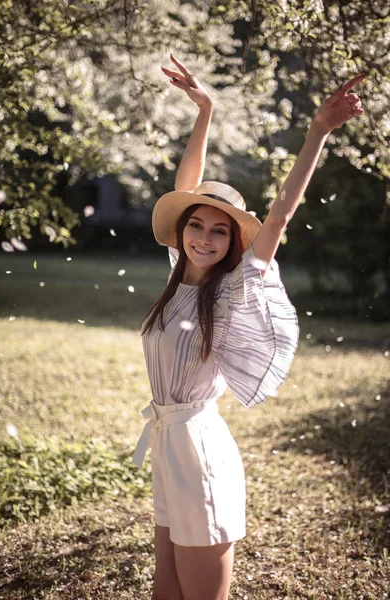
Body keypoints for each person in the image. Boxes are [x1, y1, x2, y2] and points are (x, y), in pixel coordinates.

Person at [132, 54, 365, 600]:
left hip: (199, 449)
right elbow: (186, 187)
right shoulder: (177, 277)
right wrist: (205, 110)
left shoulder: (232, 289)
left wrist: (318, 131)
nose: (206, 238)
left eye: (220, 231)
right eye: (197, 225)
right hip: (169, 444)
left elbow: (281, 212)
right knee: (165, 590)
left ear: (233, 243)